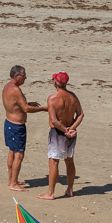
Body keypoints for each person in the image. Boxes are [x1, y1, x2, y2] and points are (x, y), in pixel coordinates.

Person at [39, 72, 83, 200]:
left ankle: (50, 193)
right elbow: (80, 114)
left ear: (56, 82)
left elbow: (54, 121)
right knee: (69, 161)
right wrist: (72, 129)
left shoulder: (53, 98)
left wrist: (65, 130)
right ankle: (70, 189)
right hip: (71, 133)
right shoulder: (73, 97)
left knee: (54, 162)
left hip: (59, 133)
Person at [2, 65, 44, 191]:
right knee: (19, 155)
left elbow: (16, 104)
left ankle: (12, 179)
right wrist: (44, 108)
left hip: (9, 123)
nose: (26, 77)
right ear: (17, 76)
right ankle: (13, 183)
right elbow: (26, 109)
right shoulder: (15, 90)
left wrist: (28, 103)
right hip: (16, 126)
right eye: (24, 75)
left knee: (12, 152)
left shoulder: (8, 86)